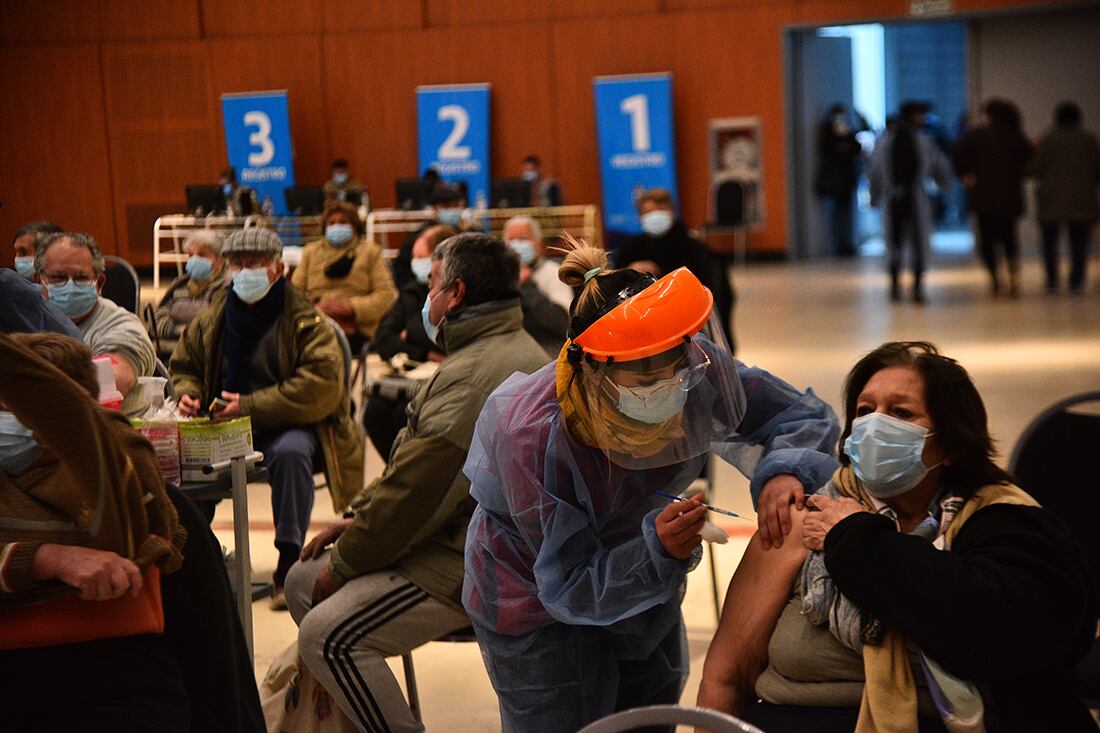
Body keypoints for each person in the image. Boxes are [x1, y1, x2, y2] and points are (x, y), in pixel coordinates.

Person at [462, 241, 840, 733]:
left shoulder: (695, 369)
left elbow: (798, 414)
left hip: (643, 577)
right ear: (590, 368)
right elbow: (570, 584)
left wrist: (784, 471)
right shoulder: (532, 434)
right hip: (534, 599)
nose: (667, 384)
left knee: (647, 713)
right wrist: (656, 551)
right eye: (641, 373)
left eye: (673, 364)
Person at [697, 341, 1098, 733]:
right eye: (864, 411)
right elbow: (728, 675)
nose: (874, 425)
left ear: (952, 442)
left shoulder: (1000, 520)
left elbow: (996, 626)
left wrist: (854, 538)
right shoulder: (805, 517)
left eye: (901, 413)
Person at [283, 233, 548, 733]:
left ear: (457, 294)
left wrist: (346, 561)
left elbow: (414, 495)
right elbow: (411, 473)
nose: (427, 297)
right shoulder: (494, 348)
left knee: (326, 635)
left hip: (476, 563)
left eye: (432, 283)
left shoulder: (474, 374)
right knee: (300, 578)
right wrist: (358, 519)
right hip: (459, 536)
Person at [0, 330, 188, 731]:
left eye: (14, 410)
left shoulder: (114, 459)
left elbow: (62, 409)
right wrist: (46, 559)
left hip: (111, 675)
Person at [170, 227, 364, 609]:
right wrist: (188, 393)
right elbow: (184, 365)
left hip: (288, 422)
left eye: (254, 264)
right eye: (237, 264)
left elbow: (320, 389)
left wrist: (249, 406)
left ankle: (288, 558)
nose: (244, 272)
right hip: (223, 422)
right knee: (179, 456)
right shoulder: (215, 317)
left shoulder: (306, 320)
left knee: (291, 454)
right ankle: (195, 554)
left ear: (278, 268)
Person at [35, 231, 156, 417]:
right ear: (39, 280)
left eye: (81, 278)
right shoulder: (27, 320)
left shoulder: (123, 326)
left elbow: (110, 383)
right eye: (58, 278)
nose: (70, 286)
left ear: (99, 283)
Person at [363, 223, 456, 459]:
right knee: (374, 412)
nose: (416, 262)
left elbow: (421, 330)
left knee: (403, 416)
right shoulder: (411, 292)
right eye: (414, 257)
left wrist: (410, 334)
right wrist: (425, 353)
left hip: (446, 378)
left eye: (421, 256)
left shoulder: (454, 290)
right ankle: (395, 472)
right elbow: (383, 339)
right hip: (412, 375)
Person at [615, 187, 735, 352]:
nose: (655, 216)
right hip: (644, 329)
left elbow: (710, 291)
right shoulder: (631, 248)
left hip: (689, 327)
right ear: (640, 216)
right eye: (649, 212)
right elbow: (614, 286)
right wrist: (630, 270)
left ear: (672, 211)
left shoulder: (694, 247)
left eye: (661, 209)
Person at [869, 101, 952, 304]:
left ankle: (909, 286)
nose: (922, 119)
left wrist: (875, 197)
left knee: (905, 243)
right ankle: (904, 286)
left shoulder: (898, 142)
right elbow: (941, 168)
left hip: (906, 197)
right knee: (901, 243)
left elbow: (874, 173)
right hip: (903, 198)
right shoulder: (900, 142)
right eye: (919, 115)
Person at [291, 201, 397, 353]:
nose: (336, 226)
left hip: (358, 329)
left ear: (354, 226)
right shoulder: (310, 252)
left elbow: (386, 295)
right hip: (315, 324)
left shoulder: (370, 252)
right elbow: (294, 295)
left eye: (343, 222)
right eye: (332, 223)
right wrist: (318, 311)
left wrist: (352, 308)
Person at [953, 99, 1033, 297]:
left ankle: (996, 281)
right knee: (1009, 238)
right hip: (1009, 196)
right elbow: (1030, 160)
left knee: (987, 240)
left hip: (984, 198)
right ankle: (1013, 275)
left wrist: (966, 174)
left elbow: (956, 150)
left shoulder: (977, 136)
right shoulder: (1015, 135)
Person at [1032, 101, 1100, 294]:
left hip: (1051, 199)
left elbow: (1034, 167)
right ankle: (1076, 281)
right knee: (1079, 243)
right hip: (1082, 198)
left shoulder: (1047, 140)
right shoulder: (1088, 140)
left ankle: (1052, 280)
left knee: (1049, 243)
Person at [152, 229, 229, 359]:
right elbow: (156, 323)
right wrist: (181, 331)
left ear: (220, 260)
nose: (194, 260)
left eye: (202, 255)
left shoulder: (227, 286)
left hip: (212, 358)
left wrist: (176, 312)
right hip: (172, 354)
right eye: (190, 255)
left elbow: (216, 328)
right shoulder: (180, 284)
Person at [391, 181, 469, 288]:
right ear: (435, 208)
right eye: (446, 206)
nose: (452, 210)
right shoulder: (419, 237)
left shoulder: (469, 236)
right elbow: (401, 272)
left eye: (456, 205)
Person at [816, 104, 862, 257]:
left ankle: (846, 243)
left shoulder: (848, 129)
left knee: (846, 213)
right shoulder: (827, 130)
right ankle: (838, 245)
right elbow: (826, 149)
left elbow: (857, 146)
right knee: (837, 214)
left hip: (847, 178)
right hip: (835, 179)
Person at [502, 215, 574, 311]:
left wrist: (527, 285)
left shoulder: (553, 272)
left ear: (539, 244)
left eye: (523, 238)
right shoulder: (500, 275)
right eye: (511, 239)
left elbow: (561, 320)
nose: (517, 244)